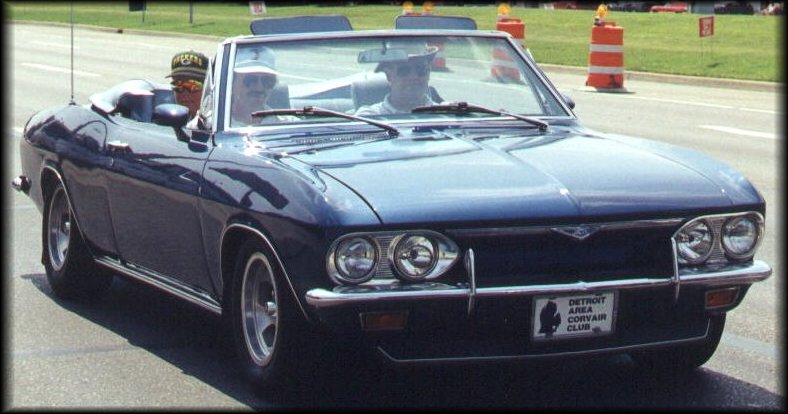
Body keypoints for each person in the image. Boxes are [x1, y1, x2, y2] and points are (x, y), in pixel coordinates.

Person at [355, 43, 439, 117]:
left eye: (420, 69)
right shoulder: (370, 117)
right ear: (389, 75)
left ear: (428, 72)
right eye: (404, 70)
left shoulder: (444, 114)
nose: (413, 77)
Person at [230, 47, 280, 127]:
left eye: (267, 81)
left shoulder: (283, 124)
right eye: (250, 80)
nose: (259, 88)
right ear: (232, 83)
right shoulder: (214, 125)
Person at [166, 51, 208, 117]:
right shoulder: (168, 118)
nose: (185, 93)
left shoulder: (219, 122)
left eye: (193, 85)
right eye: (178, 85)